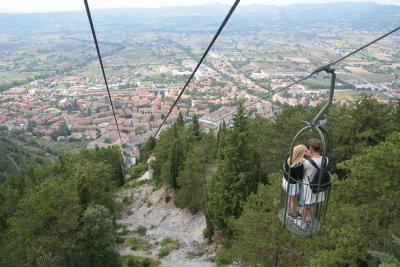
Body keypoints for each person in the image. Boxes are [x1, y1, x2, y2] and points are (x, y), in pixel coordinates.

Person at [298, 139, 327, 230]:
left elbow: (301, 174)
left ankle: (303, 223)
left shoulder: (307, 162)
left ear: (310, 148)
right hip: (319, 186)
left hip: (308, 187)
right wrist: (311, 156)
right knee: (313, 204)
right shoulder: (326, 159)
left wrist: (302, 159)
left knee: (306, 205)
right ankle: (312, 221)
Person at [282, 144, 307, 221]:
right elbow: (300, 177)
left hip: (286, 180)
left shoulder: (288, 157)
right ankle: (293, 214)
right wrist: (302, 163)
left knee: (289, 197)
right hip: (293, 184)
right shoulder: (299, 165)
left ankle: (289, 212)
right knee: (294, 200)